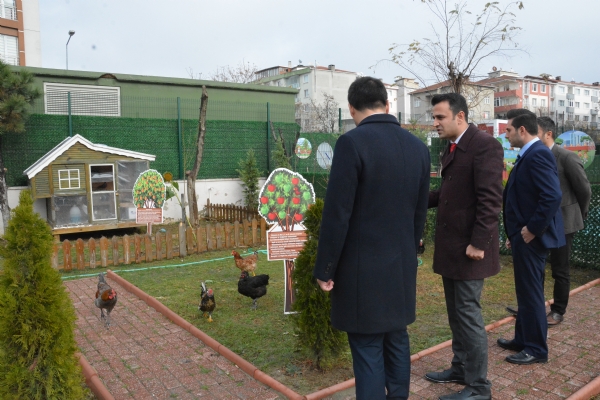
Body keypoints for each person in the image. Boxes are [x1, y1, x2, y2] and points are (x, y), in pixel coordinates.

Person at [313, 76, 430, 400]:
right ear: (387, 104)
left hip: (361, 273)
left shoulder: (352, 144)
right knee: (397, 340)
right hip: (401, 268)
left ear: (351, 109)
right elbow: (419, 215)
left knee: (366, 351)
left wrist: (325, 269)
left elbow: (337, 214)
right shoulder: (418, 149)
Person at [424, 93, 503, 400]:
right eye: (434, 117)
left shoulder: (485, 146)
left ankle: (479, 387)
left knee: (468, 315)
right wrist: (412, 199)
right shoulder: (453, 148)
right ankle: (460, 369)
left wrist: (478, 243)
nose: (435, 123)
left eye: (440, 117)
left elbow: (490, 200)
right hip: (451, 249)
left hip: (470, 251)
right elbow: (447, 193)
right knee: (456, 314)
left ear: (459, 116)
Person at [506, 117, 591, 325]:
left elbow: (584, 190)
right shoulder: (531, 155)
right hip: (539, 223)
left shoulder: (566, 157)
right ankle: (534, 306)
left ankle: (558, 310)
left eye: (538, 130)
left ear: (548, 134)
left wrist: (578, 216)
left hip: (564, 224)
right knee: (536, 268)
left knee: (560, 269)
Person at [498, 110, 565, 365]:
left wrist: (531, 229)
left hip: (532, 238)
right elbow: (523, 197)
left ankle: (536, 349)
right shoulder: (530, 154)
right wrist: (514, 233)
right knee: (525, 291)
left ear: (522, 130)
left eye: (508, 130)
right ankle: (523, 338)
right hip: (522, 236)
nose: (506, 135)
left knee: (531, 293)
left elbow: (552, 196)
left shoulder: (537, 155)